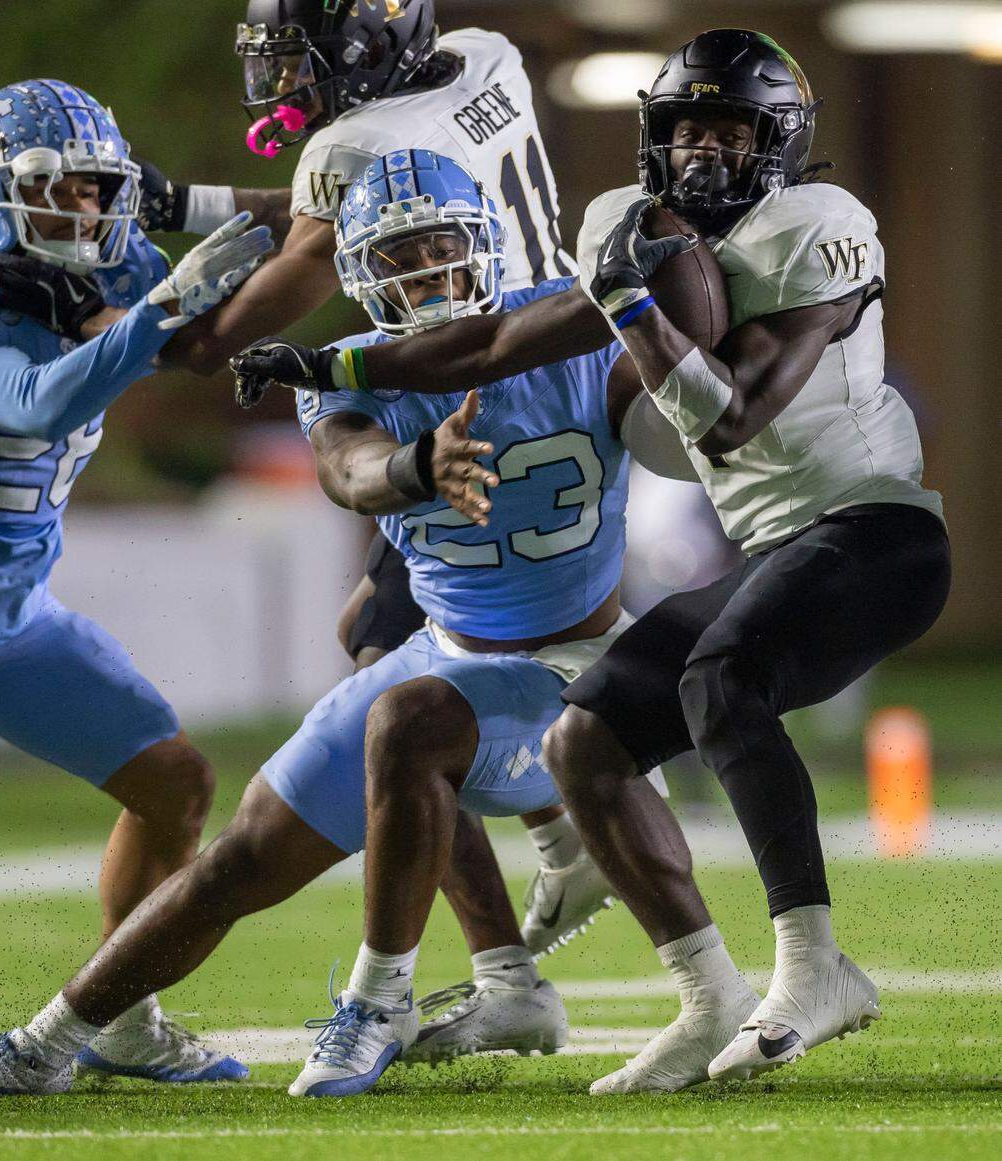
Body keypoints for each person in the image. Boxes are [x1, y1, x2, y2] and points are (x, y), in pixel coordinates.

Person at [0, 150, 757, 1101]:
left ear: (485, 243)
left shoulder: (571, 327)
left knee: (409, 720)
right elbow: (348, 470)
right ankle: (44, 1044)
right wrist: (416, 469)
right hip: (456, 651)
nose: (430, 270)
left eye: (443, 243)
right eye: (400, 256)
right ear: (359, 275)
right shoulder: (348, 372)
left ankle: (380, 996)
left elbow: (677, 374)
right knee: (242, 856)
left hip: (576, 662)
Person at [236, 30, 951, 1090]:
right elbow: (492, 343)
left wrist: (627, 309)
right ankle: (711, 1001)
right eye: (690, 128)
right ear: (655, 138)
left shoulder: (820, 227)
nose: (708, 150)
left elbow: (732, 423)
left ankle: (815, 967)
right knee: (589, 737)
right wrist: (336, 357)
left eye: (733, 130)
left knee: (721, 679)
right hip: (771, 547)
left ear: (781, 143)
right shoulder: (628, 226)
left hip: (875, 529)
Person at [0, 0, 622, 1012]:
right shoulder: (482, 60)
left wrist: (153, 333)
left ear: (367, 50)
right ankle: (549, 850)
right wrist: (182, 201)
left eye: (300, 64)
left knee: (390, 661)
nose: (285, 89)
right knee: (384, 637)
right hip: (549, 366)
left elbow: (290, 267)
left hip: (467, 382)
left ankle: (507, 948)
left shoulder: (360, 141)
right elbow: (336, 200)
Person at [0, 78, 274, 1089]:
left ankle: (124, 1016)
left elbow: (301, 218)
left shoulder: (123, 258)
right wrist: (162, 308)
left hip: (8, 623)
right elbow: (33, 404)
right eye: (57, 191)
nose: (84, 213)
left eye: (101, 191)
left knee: (172, 783)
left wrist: (192, 206)